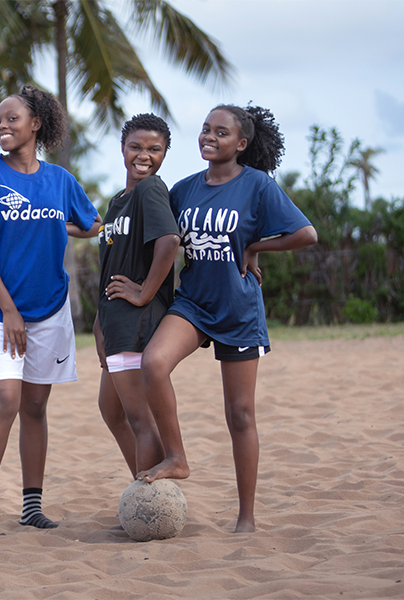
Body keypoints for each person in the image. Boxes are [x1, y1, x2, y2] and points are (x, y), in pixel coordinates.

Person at [137, 104, 318, 533]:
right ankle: (176, 456)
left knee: (240, 414)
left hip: (238, 310)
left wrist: (256, 247)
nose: (209, 137)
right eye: (205, 129)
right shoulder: (183, 190)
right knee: (154, 364)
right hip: (193, 304)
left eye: (221, 132)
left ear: (240, 144)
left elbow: (306, 234)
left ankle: (246, 518)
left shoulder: (257, 186)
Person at [0, 85, 102, 535]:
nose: (1, 125)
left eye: (12, 118)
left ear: (36, 124)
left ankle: (31, 506)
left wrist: (58, 222)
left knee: (36, 408)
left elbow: (93, 223)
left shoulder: (60, 180)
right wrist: (8, 309)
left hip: (51, 309)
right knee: (5, 398)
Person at [94, 114, 180, 483]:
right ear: (122, 148)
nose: (144, 155)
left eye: (154, 149)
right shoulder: (118, 202)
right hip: (113, 324)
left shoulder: (151, 190)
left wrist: (144, 293)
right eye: (136, 147)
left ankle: (150, 501)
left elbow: (169, 241)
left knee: (141, 419)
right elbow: (111, 265)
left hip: (137, 323)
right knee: (111, 410)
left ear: (164, 154)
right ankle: (142, 495)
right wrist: (99, 321)